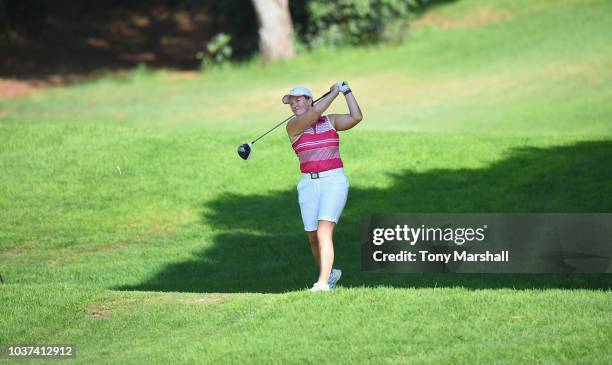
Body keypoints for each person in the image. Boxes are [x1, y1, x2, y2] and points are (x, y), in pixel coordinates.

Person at [283, 82, 363, 292]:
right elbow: (314, 113)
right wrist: (334, 93)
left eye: (298, 100)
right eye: (291, 102)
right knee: (312, 237)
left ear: (310, 100)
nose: (294, 105)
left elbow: (356, 117)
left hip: (333, 181)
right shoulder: (293, 126)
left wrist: (346, 91)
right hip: (308, 184)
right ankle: (330, 274)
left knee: (323, 231)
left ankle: (322, 283)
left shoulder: (331, 121)